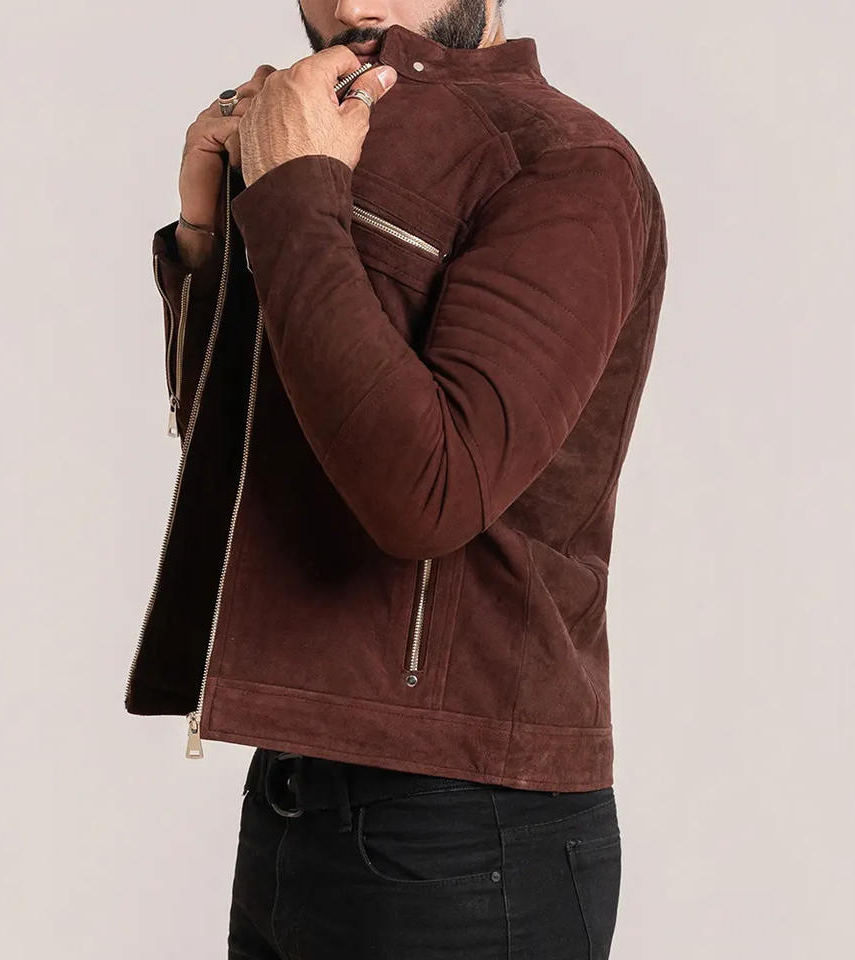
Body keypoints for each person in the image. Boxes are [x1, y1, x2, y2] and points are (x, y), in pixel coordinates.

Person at [125, 1, 667, 956]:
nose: (349, 9)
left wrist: (295, 193)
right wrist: (207, 235)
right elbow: (258, 474)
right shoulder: (327, 136)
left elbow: (429, 496)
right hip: (293, 797)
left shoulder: (569, 166)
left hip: (467, 826)